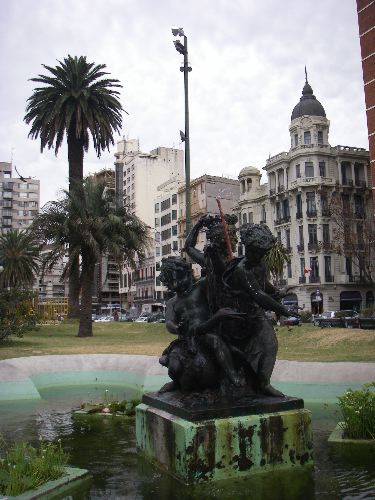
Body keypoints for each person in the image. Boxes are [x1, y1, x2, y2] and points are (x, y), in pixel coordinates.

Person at [222, 223, 299, 397]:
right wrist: (283, 310)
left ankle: (263, 383)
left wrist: (277, 292)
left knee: (270, 344)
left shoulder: (260, 265)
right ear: (248, 249)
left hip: (254, 314)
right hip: (239, 317)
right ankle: (254, 381)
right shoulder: (242, 270)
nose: (260, 256)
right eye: (257, 252)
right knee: (261, 346)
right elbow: (258, 295)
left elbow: (264, 287)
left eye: (263, 252)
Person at [158, 256, 244, 392]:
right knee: (173, 364)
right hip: (186, 338)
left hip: (206, 332)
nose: (173, 286)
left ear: (185, 274)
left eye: (174, 281)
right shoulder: (172, 302)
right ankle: (176, 382)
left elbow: (216, 274)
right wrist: (177, 328)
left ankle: (232, 374)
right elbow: (169, 322)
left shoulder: (201, 286)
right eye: (169, 283)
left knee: (216, 342)